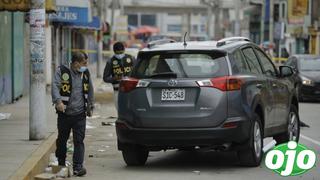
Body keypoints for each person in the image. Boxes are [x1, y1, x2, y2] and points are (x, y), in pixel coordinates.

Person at [51, 51, 94, 176]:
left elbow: (90, 89)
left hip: (80, 114)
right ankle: (61, 162)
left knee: (79, 140)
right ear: (76, 63)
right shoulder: (62, 71)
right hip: (64, 114)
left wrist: (90, 106)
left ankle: (78, 166)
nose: (86, 65)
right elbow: (55, 86)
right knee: (62, 140)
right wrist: (58, 102)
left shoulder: (85, 73)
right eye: (84, 63)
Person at [103, 42, 135, 110]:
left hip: (131, 90)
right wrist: (115, 78)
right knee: (120, 110)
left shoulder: (131, 58)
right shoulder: (110, 61)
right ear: (114, 52)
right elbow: (105, 78)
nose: (120, 55)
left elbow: (137, 73)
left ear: (124, 50)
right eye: (118, 53)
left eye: (121, 52)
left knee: (131, 110)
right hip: (117, 90)